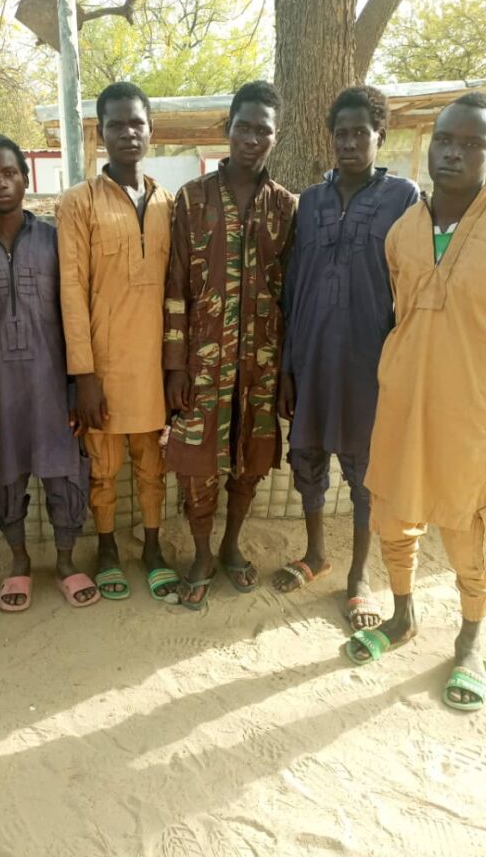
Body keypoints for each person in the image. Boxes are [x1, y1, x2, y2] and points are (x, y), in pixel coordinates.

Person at [345, 93, 486, 711]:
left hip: (473, 410)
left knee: (472, 524)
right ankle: (402, 618)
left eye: (470, 143)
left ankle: (471, 641)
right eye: (444, 140)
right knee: (395, 511)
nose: (452, 152)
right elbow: (401, 314)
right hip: (402, 400)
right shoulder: (403, 230)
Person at [273, 86, 419, 630]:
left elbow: (413, 282)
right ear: (329, 139)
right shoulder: (308, 202)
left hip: (369, 363)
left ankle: (359, 575)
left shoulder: (404, 198)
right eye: (342, 133)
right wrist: (289, 365)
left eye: (362, 132)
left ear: (380, 136)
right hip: (311, 356)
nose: (351, 142)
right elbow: (293, 286)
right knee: (307, 457)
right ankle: (316, 554)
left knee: (364, 472)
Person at [164, 80, 297, 609]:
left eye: (262, 130)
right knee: (197, 459)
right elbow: (175, 286)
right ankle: (199, 552)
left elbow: (292, 294)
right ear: (228, 129)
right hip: (202, 362)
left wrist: (286, 370)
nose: (251, 137)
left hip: (261, 364)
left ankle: (231, 545)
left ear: (274, 136)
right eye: (243, 126)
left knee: (252, 456)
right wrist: (174, 367)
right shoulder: (191, 200)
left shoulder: (286, 207)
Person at [0, 134, 94, 611]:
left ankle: (64, 561)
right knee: (5, 478)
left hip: (53, 387)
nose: (0, 182)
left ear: (26, 177)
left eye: (9, 172)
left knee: (65, 474)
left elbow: (77, 318)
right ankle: (18, 561)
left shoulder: (56, 240)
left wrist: (78, 390)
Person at [56, 82, 178, 602]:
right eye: (115, 124)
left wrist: (177, 367)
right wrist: (83, 376)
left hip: (154, 366)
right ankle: (106, 547)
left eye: (137, 123)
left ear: (151, 129)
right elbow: (70, 291)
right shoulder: (77, 203)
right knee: (103, 468)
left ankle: (152, 547)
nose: (128, 132)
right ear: (100, 133)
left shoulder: (169, 202)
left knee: (153, 465)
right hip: (103, 368)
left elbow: (180, 289)